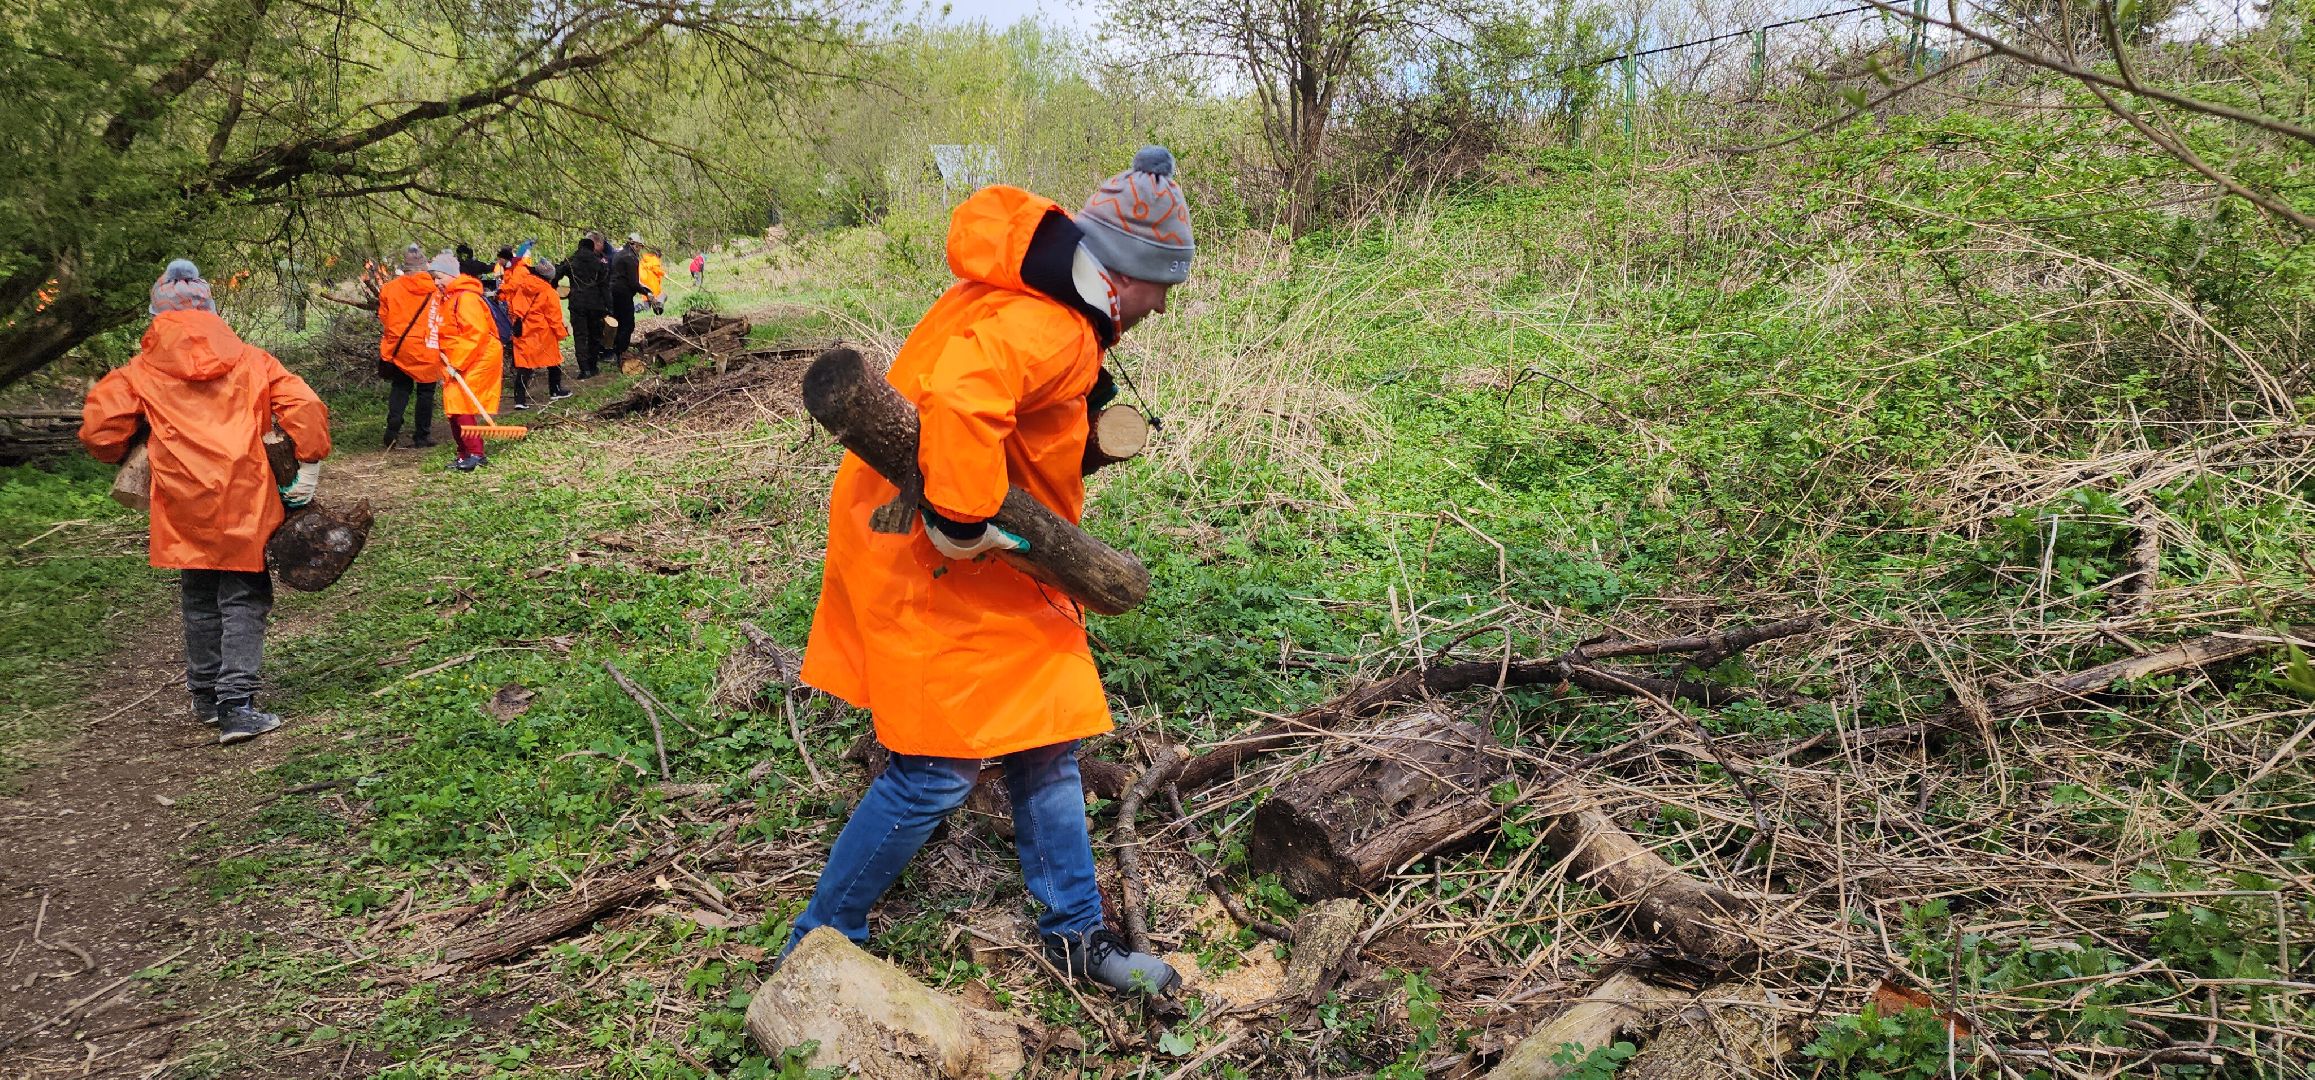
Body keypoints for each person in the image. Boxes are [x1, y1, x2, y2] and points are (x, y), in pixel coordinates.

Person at [787, 147, 1195, 996]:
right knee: (937, 767)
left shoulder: (1038, 300)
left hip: (980, 566)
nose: (1161, 306)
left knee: (1046, 741)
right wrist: (963, 520)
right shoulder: (1055, 325)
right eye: (1161, 286)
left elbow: (1002, 413)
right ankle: (818, 939)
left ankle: (1075, 935)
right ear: (1124, 274)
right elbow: (964, 397)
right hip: (930, 559)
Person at [78, 260, 333, 744]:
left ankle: (206, 698)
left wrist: (124, 448)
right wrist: (310, 461)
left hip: (182, 500)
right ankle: (236, 705)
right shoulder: (254, 360)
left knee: (199, 595)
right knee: (244, 596)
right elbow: (303, 405)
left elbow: (99, 429)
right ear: (212, 310)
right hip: (246, 494)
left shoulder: (139, 371)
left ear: (156, 315)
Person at [431, 252, 504, 472]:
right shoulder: (447, 298)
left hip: (478, 356)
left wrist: (457, 363)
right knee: (454, 405)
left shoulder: (466, 298)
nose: (436, 283)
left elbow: (476, 333)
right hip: (458, 358)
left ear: (452, 275)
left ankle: (475, 454)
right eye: (434, 278)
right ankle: (464, 454)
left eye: (439, 277)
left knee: (460, 403)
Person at [375, 244, 441, 449]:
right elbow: (440, 318)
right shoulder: (435, 290)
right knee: (426, 391)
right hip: (427, 348)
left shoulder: (389, 288)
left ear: (405, 267)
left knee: (400, 387)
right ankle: (422, 435)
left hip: (399, 347)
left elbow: (383, 317)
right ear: (425, 266)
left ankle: (393, 427)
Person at [502, 254, 571, 409]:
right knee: (554, 361)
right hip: (543, 333)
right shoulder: (549, 292)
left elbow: (513, 309)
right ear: (549, 277)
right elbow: (554, 318)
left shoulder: (523, 286)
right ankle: (555, 390)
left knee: (524, 366)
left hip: (523, 331)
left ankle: (519, 400)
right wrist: (561, 333)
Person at [555, 236, 611, 379]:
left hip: (577, 303)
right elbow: (605, 286)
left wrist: (557, 288)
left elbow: (556, 275)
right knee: (594, 335)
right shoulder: (598, 262)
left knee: (580, 336)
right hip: (596, 303)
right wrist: (609, 307)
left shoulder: (571, 261)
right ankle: (593, 366)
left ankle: (584, 369)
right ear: (592, 247)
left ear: (579, 247)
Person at [608, 234, 645, 367]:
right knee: (628, 325)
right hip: (623, 295)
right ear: (634, 245)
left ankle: (614, 352)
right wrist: (646, 292)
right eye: (640, 247)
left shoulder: (617, 254)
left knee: (616, 324)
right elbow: (633, 283)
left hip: (612, 293)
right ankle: (621, 353)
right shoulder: (631, 258)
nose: (640, 249)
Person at [638, 246, 666, 315]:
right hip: (652, 282)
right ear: (658, 254)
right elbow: (656, 269)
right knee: (659, 296)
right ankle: (657, 310)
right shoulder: (655, 259)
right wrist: (663, 274)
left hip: (644, 282)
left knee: (646, 297)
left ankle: (641, 309)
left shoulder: (644, 260)